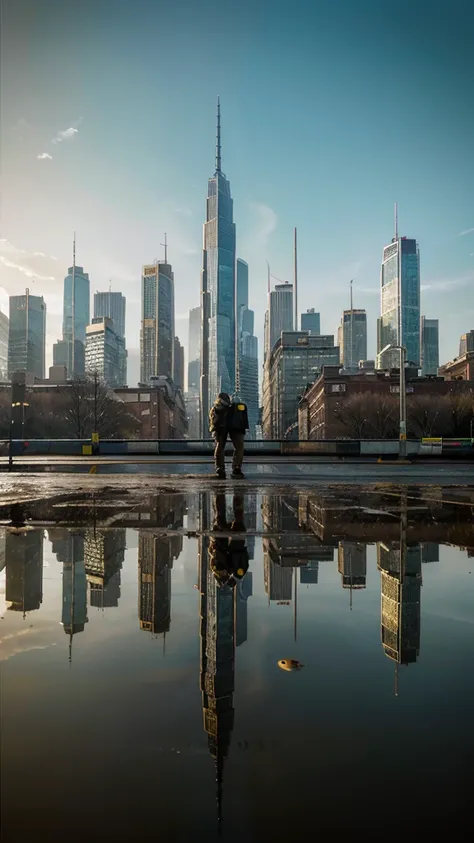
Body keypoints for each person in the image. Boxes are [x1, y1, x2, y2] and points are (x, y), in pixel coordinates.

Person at [209, 392, 249, 479]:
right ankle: (236, 468)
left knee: (220, 446)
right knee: (239, 447)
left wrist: (214, 429)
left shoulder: (216, 408)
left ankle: (220, 468)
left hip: (221, 427)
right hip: (234, 427)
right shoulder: (234, 408)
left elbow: (213, 421)